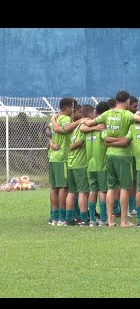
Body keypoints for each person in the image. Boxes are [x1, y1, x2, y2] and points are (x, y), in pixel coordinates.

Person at [83, 90, 140, 227]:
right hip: (123, 155)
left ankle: (109, 221)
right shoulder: (127, 114)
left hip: (109, 155)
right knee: (124, 188)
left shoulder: (106, 114)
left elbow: (89, 124)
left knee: (110, 188)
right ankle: (124, 221)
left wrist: (97, 129)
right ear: (127, 101)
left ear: (116, 101)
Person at [52, 105, 92, 226]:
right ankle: (84, 219)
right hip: (80, 164)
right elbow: (79, 142)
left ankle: (68, 218)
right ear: (90, 114)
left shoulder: (71, 127)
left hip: (70, 163)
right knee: (83, 192)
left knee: (71, 192)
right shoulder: (84, 126)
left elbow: (58, 130)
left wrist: (53, 119)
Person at [48, 97, 85, 226]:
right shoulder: (65, 119)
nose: (74, 110)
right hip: (62, 157)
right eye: (73, 107)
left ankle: (54, 217)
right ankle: (62, 218)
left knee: (54, 188)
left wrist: (51, 143)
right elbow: (65, 129)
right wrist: (80, 121)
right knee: (64, 187)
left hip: (52, 157)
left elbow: (48, 131)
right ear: (69, 107)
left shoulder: (55, 118)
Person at [80, 101, 110, 226]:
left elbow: (81, 130)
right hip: (101, 164)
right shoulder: (102, 127)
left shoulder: (87, 129)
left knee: (93, 191)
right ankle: (103, 219)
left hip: (90, 165)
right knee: (102, 191)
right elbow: (107, 140)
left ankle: (92, 220)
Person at [126, 95, 140, 217]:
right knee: (127, 182)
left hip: (136, 153)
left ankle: (133, 207)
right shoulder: (126, 117)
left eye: (137, 106)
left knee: (135, 181)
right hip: (126, 155)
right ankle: (126, 208)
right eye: (134, 106)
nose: (136, 108)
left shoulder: (136, 117)